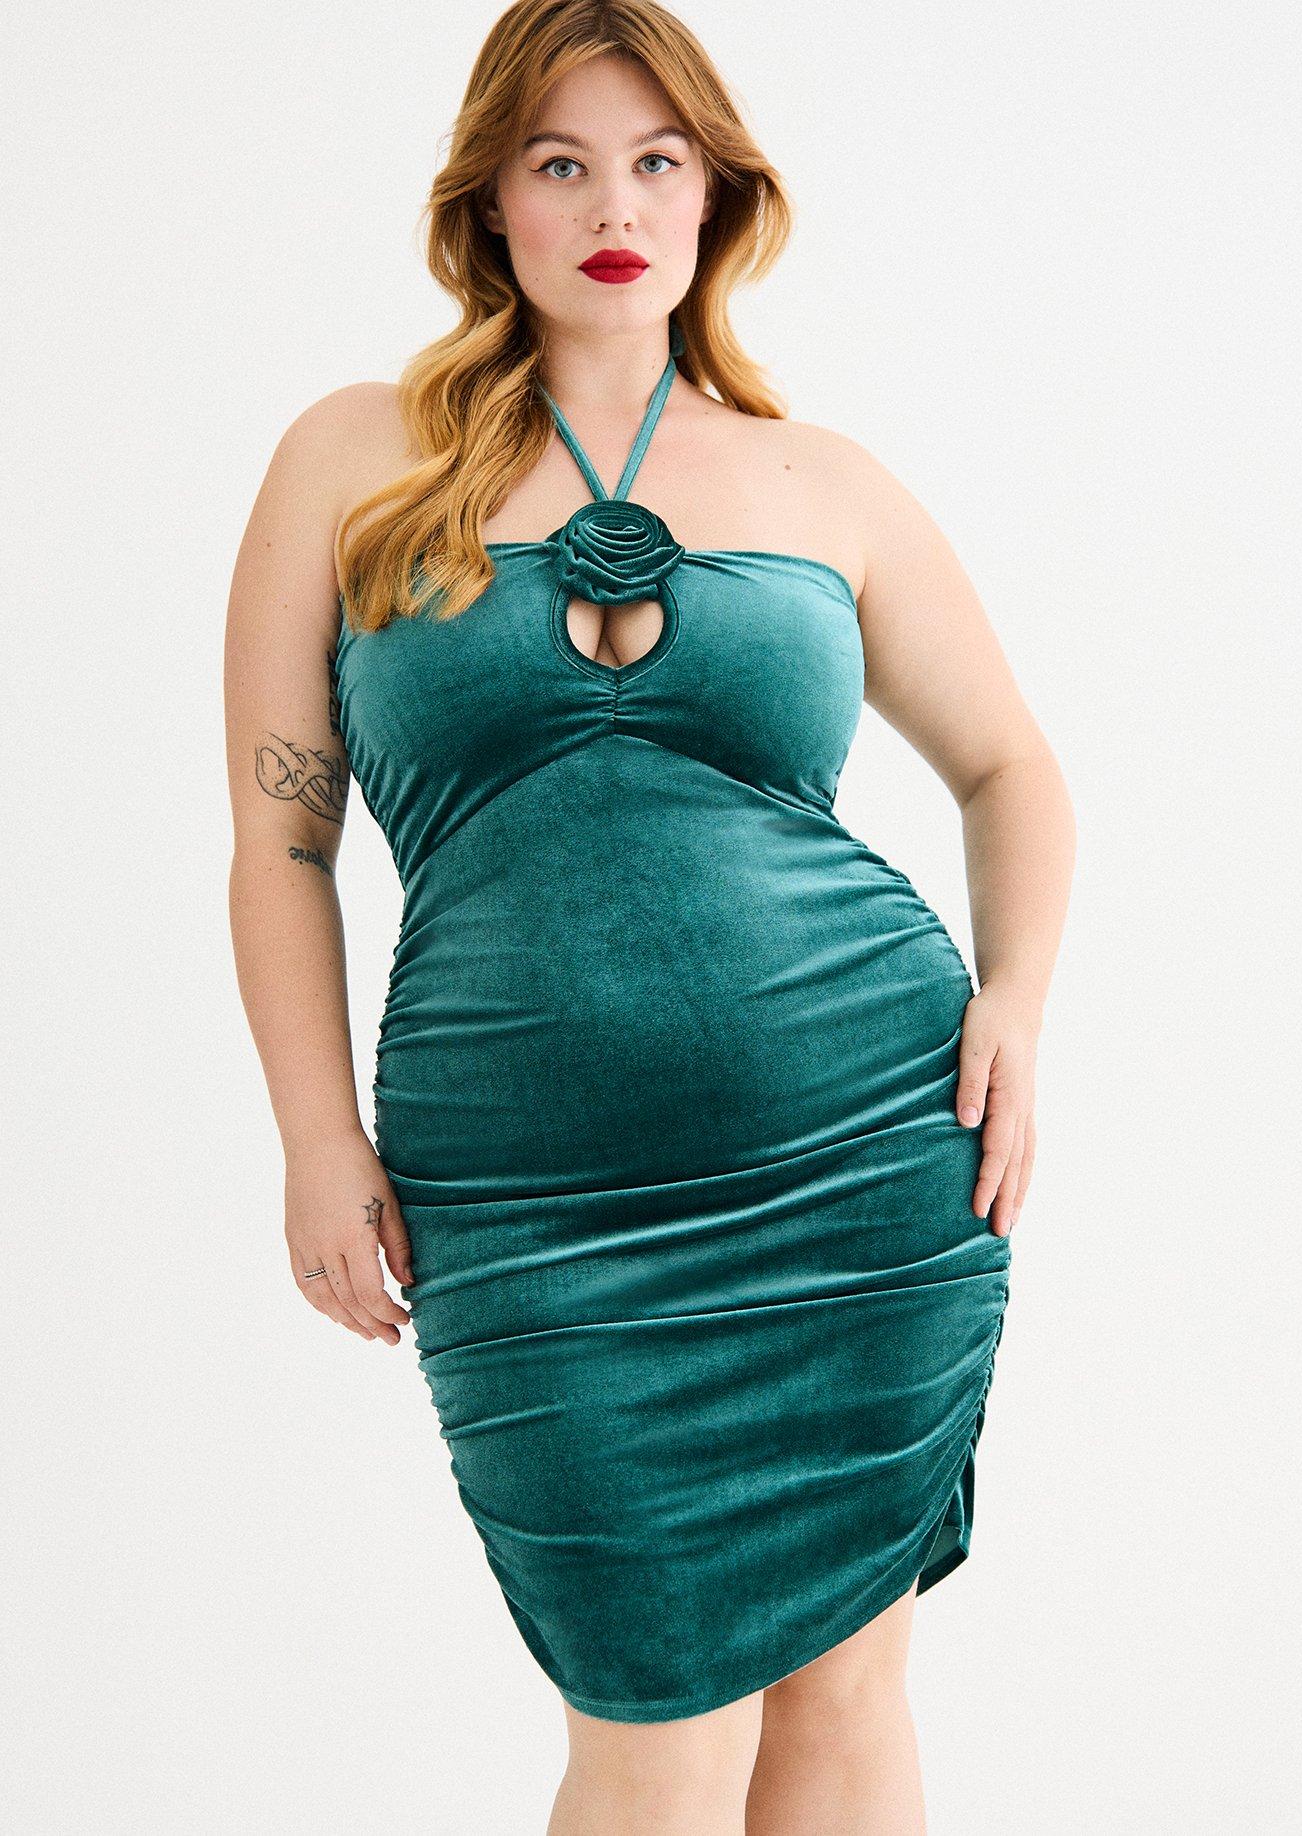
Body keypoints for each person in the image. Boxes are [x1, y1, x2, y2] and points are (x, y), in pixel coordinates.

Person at [225, 3, 1075, 1829]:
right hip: (529, 1202)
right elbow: (282, 844)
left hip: (860, 1160)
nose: (614, 205)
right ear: (492, 202)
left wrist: (1013, 996)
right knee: (650, 1738)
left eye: (655, 161)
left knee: (844, 1695)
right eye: (562, 163)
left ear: (712, 197)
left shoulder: (818, 480)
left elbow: (1013, 768)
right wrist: (316, 1136)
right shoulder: (350, 458)